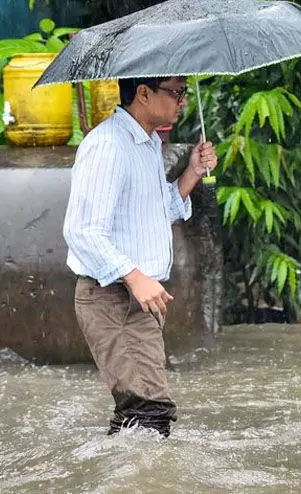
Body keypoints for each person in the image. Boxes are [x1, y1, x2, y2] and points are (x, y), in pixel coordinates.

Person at [63, 76, 217, 437]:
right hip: (113, 298)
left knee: (142, 416)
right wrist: (134, 276)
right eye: (175, 92)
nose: (182, 101)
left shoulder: (147, 143)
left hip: (140, 299)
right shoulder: (107, 145)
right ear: (144, 94)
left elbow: (157, 208)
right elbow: (82, 230)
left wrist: (193, 171)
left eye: (182, 93)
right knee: (148, 413)